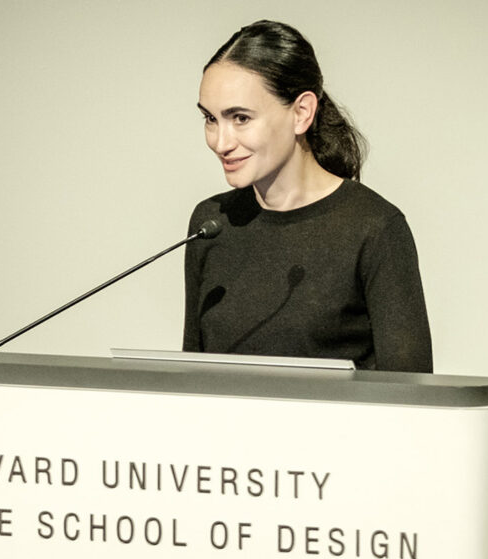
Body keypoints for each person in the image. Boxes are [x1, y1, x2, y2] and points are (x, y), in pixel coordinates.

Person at [183, 20, 432, 372]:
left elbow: (414, 398)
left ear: (301, 113)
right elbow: (190, 382)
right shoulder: (211, 225)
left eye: (240, 118)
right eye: (210, 118)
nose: (221, 142)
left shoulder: (375, 228)